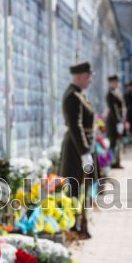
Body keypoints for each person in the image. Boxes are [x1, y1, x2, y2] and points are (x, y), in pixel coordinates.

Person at [60, 61, 96, 237]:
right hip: (76, 148)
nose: (90, 80)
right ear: (80, 77)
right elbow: (76, 126)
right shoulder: (73, 96)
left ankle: (78, 223)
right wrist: (84, 153)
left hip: (81, 146)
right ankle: (74, 226)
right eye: (88, 77)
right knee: (75, 186)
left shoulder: (79, 94)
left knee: (81, 187)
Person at [105, 74, 125, 169]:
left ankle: (116, 162)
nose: (117, 83)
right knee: (113, 143)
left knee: (118, 142)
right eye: (115, 82)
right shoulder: (111, 94)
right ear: (111, 83)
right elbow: (114, 109)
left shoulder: (117, 92)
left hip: (118, 121)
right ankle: (109, 163)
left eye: (117, 82)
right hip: (113, 122)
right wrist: (118, 122)